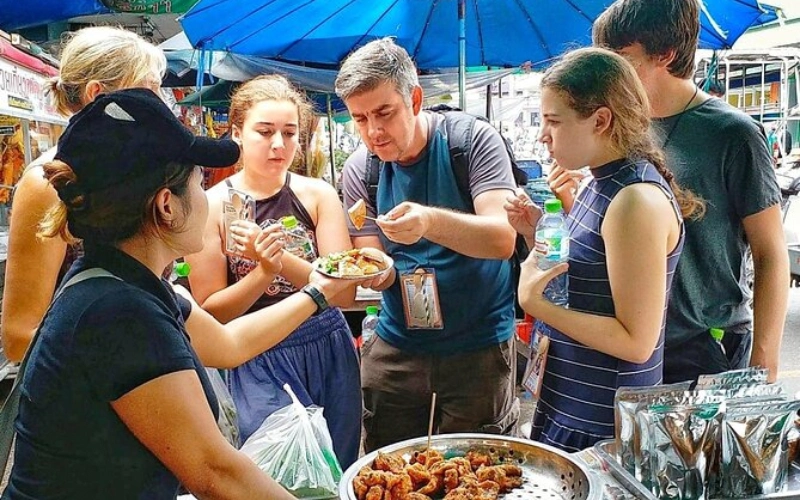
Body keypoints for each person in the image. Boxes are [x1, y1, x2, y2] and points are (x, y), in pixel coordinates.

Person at [3, 88, 325, 499]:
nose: (207, 198)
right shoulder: (118, 312)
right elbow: (214, 472)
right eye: (199, 181)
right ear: (166, 206)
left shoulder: (123, 279)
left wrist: (318, 293)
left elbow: (227, 344)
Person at [507, 47, 700, 452]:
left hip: (604, 429)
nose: (543, 134)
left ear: (601, 120)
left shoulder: (635, 200)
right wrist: (535, 234)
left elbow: (636, 341)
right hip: (570, 406)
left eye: (553, 122)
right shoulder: (599, 182)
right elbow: (594, 281)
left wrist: (535, 303)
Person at [335, 37, 520, 452]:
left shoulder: (471, 142)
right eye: (360, 119)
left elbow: (502, 238)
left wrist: (429, 222)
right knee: (389, 467)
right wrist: (378, 270)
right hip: (398, 343)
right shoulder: (360, 170)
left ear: (415, 99)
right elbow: (372, 258)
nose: (374, 132)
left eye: (384, 113)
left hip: (478, 347)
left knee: (475, 472)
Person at [593, 0, 788, 383]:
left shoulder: (733, 134)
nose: (609, 72)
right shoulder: (619, 129)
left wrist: (764, 361)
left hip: (705, 346)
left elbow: (771, 253)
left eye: (621, 57)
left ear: (665, 54)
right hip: (629, 342)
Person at [185, 75, 366, 468]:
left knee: (337, 466)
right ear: (237, 132)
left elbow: (345, 292)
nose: (279, 144)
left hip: (325, 346)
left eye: (290, 133)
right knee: (271, 471)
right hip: (254, 351)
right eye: (264, 132)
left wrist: (278, 260)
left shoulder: (317, 196)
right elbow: (212, 311)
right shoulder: (212, 206)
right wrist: (261, 274)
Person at [2, 26, 166, 363]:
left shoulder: (136, 173)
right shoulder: (46, 184)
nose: (160, 103)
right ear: (97, 95)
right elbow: (20, 336)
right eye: (150, 88)